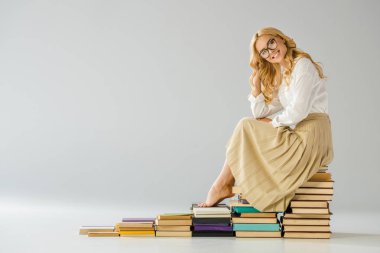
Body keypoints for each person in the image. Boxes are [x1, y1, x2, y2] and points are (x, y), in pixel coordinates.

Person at [197, 27, 334, 212]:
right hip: (302, 131)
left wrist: (274, 123)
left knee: (245, 126)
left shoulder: (302, 65)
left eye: (271, 43)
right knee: (246, 126)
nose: (271, 51)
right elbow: (260, 113)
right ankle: (223, 184)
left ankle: (222, 185)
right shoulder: (285, 72)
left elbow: (299, 111)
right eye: (264, 51)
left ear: (281, 39)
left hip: (312, 135)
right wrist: (256, 88)